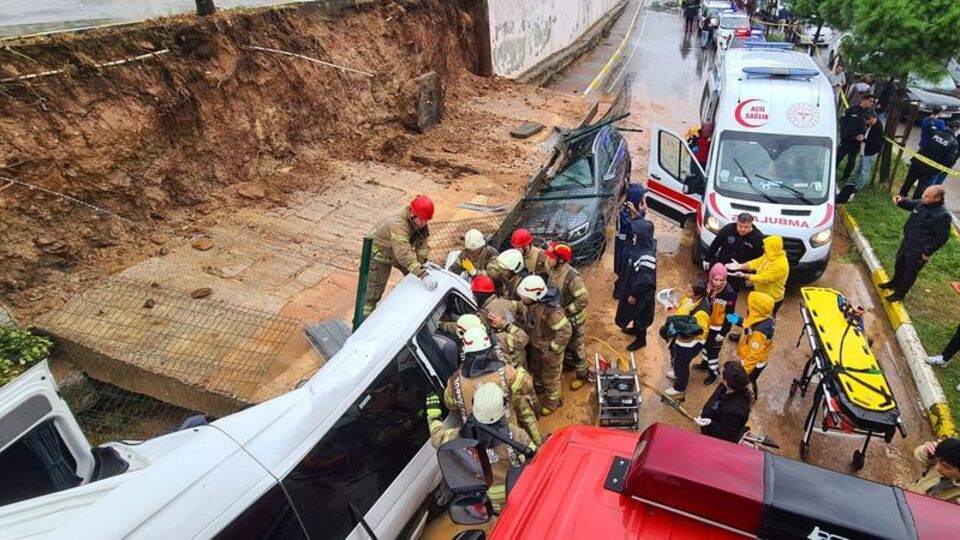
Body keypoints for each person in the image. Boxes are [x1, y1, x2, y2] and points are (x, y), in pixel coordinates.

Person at [426, 383, 535, 512]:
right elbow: (535, 461)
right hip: (519, 493)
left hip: (490, 502)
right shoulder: (517, 436)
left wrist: (433, 415)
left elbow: (437, 439)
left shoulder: (460, 437)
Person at [443, 326, 542, 446]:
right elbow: (527, 385)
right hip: (508, 433)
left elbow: (450, 404)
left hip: (479, 439)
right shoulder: (506, 372)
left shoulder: (454, 381)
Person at [364, 195, 435, 317]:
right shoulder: (398, 225)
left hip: (396, 251)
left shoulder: (419, 220)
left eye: (426, 220)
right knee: (373, 295)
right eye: (422, 220)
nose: (424, 223)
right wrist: (423, 274)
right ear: (412, 213)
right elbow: (403, 254)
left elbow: (422, 244)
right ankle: (363, 322)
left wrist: (423, 263)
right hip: (380, 254)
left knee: (415, 280)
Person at [880, 186, 952, 302]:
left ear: (937, 199)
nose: (923, 197)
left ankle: (900, 293)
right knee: (899, 264)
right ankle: (894, 282)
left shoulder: (942, 215)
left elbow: (942, 237)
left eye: (927, 196)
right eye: (924, 194)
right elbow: (911, 204)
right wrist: (901, 201)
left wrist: (927, 252)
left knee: (910, 272)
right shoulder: (922, 203)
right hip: (908, 241)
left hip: (919, 249)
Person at [517, 274, 572, 416]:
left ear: (534, 296)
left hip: (549, 350)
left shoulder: (551, 312)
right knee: (537, 371)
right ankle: (541, 388)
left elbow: (565, 331)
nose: (521, 298)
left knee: (550, 378)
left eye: (524, 296)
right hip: (537, 346)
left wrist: (552, 351)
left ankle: (552, 403)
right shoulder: (530, 304)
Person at [544, 242, 590, 390]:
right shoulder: (552, 268)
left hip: (573, 319)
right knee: (565, 344)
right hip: (560, 317)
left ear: (561, 260)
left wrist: (566, 311)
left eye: (551, 257)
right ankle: (569, 364)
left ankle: (582, 374)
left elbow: (583, 299)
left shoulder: (572, 277)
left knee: (577, 348)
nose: (548, 259)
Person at [663, 279, 710, 401]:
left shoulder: (701, 312)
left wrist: (680, 328)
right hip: (679, 337)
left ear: (697, 295)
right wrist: (674, 306)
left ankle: (679, 387)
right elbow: (682, 308)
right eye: (687, 287)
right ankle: (676, 373)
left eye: (689, 290)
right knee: (675, 356)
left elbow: (699, 331)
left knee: (682, 363)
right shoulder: (689, 299)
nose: (685, 290)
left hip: (689, 343)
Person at [470, 275, 530, 370]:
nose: (473, 298)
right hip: (521, 354)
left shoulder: (483, 316)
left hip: (509, 361)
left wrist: (445, 325)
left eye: (474, 295)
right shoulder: (507, 302)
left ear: (478, 296)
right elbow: (524, 307)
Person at [616, 219, 657, 351]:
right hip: (633, 286)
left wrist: (634, 294)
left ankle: (641, 340)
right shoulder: (640, 245)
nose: (633, 234)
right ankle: (634, 329)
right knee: (634, 313)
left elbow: (645, 281)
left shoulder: (647, 256)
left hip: (641, 295)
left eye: (636, 233)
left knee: (640, 315)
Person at [727, 291, 776, 400]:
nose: (747, 306)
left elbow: (754, 356)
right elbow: (751, 323)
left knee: (749, 380)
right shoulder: (765, 316)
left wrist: (744, 371)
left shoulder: (760, 333)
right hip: (750, 354)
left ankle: (751, 395)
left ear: (757, 310)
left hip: (754, 363)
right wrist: (740, 321)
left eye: (750, 305)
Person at [727, 235, 790, 315]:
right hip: (759, 294)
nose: (763, 247)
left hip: (770, 299)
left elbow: (764, 279)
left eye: (766, 245)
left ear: (773, 247)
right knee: (751, 315)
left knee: (762, 320)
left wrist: (744, 275)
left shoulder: (781, 265)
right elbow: (755, 263)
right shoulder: (769, 256)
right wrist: (740, 266)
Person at [696, 264, 737, 385]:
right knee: (704, 345)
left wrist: (723, 333)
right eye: (716, 279)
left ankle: (713, 373)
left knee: (713, 351)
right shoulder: (708, 287)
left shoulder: (729, 293)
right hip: (707, 325)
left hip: (718, 328)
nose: (718, 283)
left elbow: (730, 315)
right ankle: (705, 364)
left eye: (722, 280)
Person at [704, 212, 765, 291]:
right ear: (737, 222)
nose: (743, 229)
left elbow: (760, 259)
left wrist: (752, 276)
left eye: (746, 227)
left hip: (738, 272)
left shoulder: (758, 237)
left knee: (731, 291)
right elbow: (716, 244)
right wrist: (707, 259)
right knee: (713, 288)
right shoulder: (728, 229)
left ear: (751, 225)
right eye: (740, 226)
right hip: (722, 266)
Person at [694, 361, 752, 442]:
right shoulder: (727, 386)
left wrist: (710, 423)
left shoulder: (735, 410)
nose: (720, 376)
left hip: (714, 437)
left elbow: (726, 435)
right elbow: (715, 398)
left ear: (726, 381)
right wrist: (707, 411)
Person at [838, 109, 883, 202]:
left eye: (866, 120)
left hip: (870, 153)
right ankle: (854, 182)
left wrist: (864, 140)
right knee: (859, 168)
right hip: (864, 150)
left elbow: (876, 142)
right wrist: (863, 137)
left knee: (864, 171)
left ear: (871, 118)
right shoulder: (871, 125)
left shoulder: (878, 127)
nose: (865, 122)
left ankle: (859, 187)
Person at [901, 110, 947, 198]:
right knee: (922, 184)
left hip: (922, 148)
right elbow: (941, 132)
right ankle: (915, 200)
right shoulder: (940, 123)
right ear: (939, 113)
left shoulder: (926, 119)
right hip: (931, 154)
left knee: (909, 179)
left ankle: (902, 195)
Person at [909, 121, 959, 198]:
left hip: (922, 162)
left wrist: (933, 121)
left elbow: (928, 128)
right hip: (933, 168)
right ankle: (921, 200)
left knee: (910, 183)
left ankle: (902, 197)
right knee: (923, 189)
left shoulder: (936, 132)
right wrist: (939, 168)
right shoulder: (953, 142)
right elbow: (949, 160)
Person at [614, 184, 648, 296]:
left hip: (628, 246)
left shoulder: (631, 209)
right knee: (623, 270)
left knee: (628, 270)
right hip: (623, 247)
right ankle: (618, 291)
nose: (644, 200)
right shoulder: (624, 212)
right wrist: (641, 213)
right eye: (642, 197)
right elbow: (638, 227)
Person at [837, 94, 877, 184]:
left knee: (851, 161)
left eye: (873, 102)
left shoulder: (870, 114)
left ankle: (845, 177)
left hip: (856, 142)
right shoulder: (852, 109)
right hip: (846, 140)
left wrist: (863, 137)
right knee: (838, 157)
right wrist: (844, 133)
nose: (871, 103)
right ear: (864, 100)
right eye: (870, 101)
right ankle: (832, 173)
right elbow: (843, 121)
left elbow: (871, 127)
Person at [908, 438, 960, 504]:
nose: (937, 467)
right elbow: (919, 455)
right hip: (909, 494)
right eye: (938, 461)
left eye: (946, 467)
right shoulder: (945, 457)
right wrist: (927, 450)